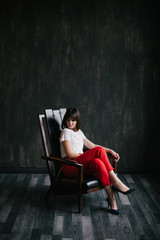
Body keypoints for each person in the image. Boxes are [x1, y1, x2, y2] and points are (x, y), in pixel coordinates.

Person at [59, 107, 135, 215]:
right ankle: (116, 182)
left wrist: (109, 150)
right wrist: (86, 156)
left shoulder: (79, 132)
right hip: (70, 166)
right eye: (68, 120)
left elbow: (93, 146)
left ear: (77, 121)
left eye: (73, 120)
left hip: (81, 164)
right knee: (97, 151)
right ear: (65, 120)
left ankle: (112, 199)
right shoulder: (66, 131)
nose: (70, 123)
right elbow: (70, 155)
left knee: (98, 163)